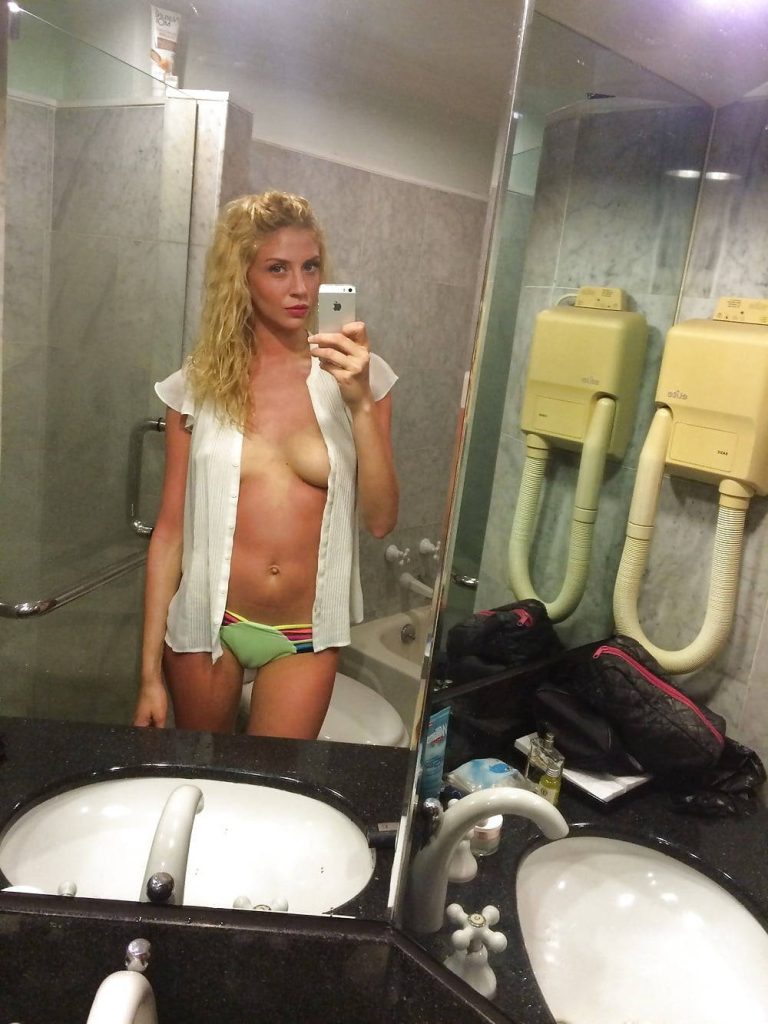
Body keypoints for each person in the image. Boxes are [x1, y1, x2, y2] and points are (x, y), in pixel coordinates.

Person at [132, 191, 398, 738]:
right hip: (208, 623)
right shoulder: (199, 384)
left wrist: (360, 406)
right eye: (278, 269)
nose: (301, 288)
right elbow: (170, 533)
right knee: (201, 774)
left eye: (311, 267)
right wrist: (148, 677)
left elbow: (380, 520)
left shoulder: (359, 377)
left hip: (306, 632)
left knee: (274, 781)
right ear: (242, 277)